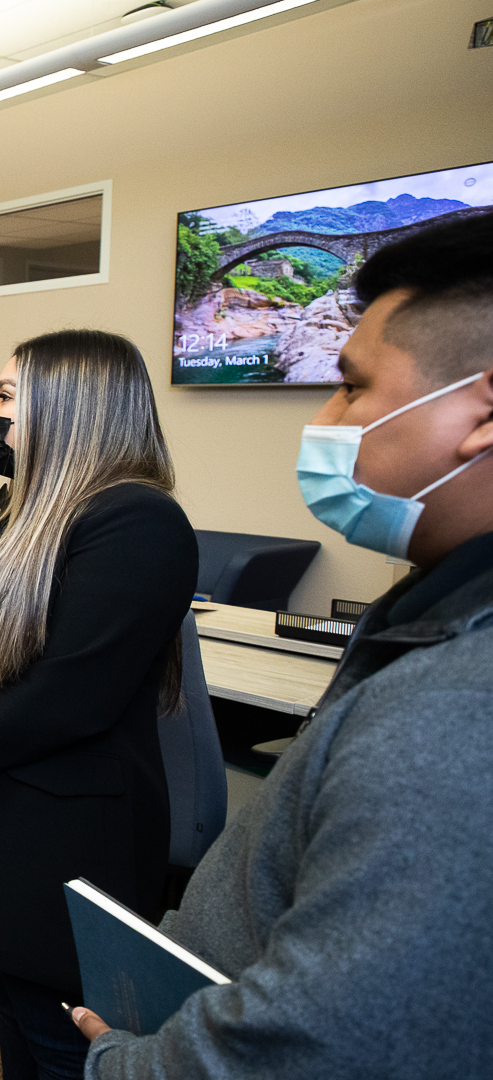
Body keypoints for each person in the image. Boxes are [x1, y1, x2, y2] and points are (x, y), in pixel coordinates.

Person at [69, 215, 493, 1077]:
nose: (328, 416)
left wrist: (125, 1066)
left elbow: (326, 1037)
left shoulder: (457, 710)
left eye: (351, 385)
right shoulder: (437, 615)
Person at [0, 329, 196, 1080]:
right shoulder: (21, 506)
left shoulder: (137, 522)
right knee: (17, 1019)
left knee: (61, 1041)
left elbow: (67, 701)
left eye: (4, 399)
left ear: (72, 410)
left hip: (65, 848)